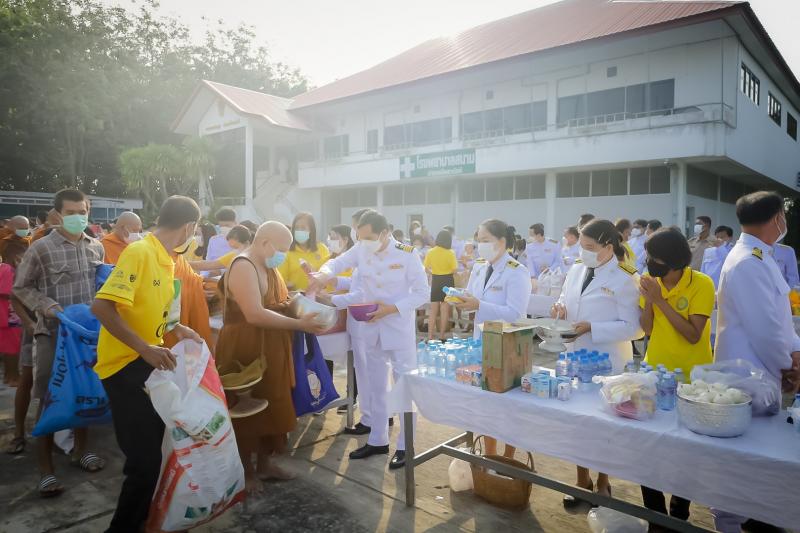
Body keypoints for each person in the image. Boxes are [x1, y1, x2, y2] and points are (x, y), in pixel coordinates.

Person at [91, 196, 203, 531]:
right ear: (189, 227)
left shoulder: (167, 260)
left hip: (145, 365)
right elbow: (103, 308)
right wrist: (145, 349)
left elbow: (158, 312)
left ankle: (144, 519)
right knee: (143, 461)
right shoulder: (140, 252)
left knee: (157, 449)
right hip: (124, 367)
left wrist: (177, 328)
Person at [311, 210, 429, 469]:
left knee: (404, 387)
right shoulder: (362, 249)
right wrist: (322, 275)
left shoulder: (408, 255)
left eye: (369, 237)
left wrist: (391, 308)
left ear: (385, 233)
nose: (363, 242)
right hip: (370, 327)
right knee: (376, 385)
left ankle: (405, 446)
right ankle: (378, 440)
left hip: (397, 327)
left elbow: (422, 293)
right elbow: (337, 263)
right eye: (360, 237)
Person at [215, 221, 327, 492]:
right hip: (245, 347)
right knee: (246, 407)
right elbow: (253, 314)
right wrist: (300, 324)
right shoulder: (244, 265)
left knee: (273, 402)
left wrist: (299, 303)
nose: (284, 255)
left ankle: (265, 464)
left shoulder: (268, 264)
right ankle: (246, 471)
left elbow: (278, 301)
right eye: (282, 249)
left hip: (273, 346)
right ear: (265, 243)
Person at [712, 192, 800, 533]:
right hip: (747, 373)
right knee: (740, 456)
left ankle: (750, 514)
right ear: (777, 218)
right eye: (784, 216)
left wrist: (794, 354)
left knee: (756, 450)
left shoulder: (759, 256)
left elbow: (779, 320)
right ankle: (730, 521)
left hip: (760, 369)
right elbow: (765, 330)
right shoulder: (748, 261)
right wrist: (790, 364)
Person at [13, 189, 106, 497]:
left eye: (83, 211)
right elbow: (21, 287)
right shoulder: (41, 248)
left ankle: (80, 451)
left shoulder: (97, 248)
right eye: (71, 212)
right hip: (53, 334)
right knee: (49, 399)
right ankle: (45, 470)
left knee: (85, 394)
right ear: (57, 214)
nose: (78, 217)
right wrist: (46, 305)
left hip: (85, 337)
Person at [552, 219, 643, 505]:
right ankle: (581, 480)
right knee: (576, 422)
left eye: (590, 247)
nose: (583, 252)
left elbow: (636, 328)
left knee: (604, 425)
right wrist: (560, 307)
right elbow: (566, 299)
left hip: (608, 362)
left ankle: (603, 483)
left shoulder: (626, 276)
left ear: (608, 246)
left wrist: (593, 327)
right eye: (581, 246)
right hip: (575, 355)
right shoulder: (578, 269)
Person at [637, 227, 714, 525]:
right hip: (654, 374)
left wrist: (660, 301)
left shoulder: (702, 284)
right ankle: (655, 516)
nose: (649, 262)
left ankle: (679, 511)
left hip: (692, 380)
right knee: (649, 447)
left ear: (671, 259)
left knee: (686, 450)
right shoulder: (652, 283)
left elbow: (694, 335)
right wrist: (648, 299)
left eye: (653, 257)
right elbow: (649, 330)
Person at [456, 219, 531, 458]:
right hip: (483, 342)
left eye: (486, 240)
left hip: (508, 347)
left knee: (507, 407)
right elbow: (472, 299)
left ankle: (507, 459)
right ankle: (489, 456)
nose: (481, 245)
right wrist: (461, 301)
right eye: (478, 240)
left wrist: (479, 305)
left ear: (502, 242)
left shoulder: (517, 272)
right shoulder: (479, 266)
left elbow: (515, 314)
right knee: (485, 404)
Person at [278, 212, 330, 292]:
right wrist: (291, 288)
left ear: (311, 230)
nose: (299, 231)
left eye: (303, 228)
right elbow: (280, 280)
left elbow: (328, 277)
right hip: (295, 299)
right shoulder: (287, 250)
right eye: (296, 228)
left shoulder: (322, 249)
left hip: (320, 299)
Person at [424, 230, 458, 342]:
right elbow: (454, 269)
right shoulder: (451, 253)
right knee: (445, 310)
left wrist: (433, 272)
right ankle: (442, 335)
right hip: (447, 280)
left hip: (436, 280)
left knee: (433, 311)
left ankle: (429, 336)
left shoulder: (431, 252)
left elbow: (426, 268)